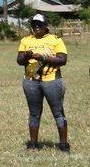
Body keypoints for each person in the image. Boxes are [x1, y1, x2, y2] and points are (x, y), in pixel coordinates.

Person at [17, 13, 70, 152]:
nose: (36, 27)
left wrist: (43, 57)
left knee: (58, 112)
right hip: (31, 81)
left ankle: (64, 145)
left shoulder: (55, 39)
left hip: (52, 80)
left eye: (39, 24)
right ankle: (33, 144)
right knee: (34, 113)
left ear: (46, 25)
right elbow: (19, 60)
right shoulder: (26, 40)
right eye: (34, 24)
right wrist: (27, 57)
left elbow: (62, 60)